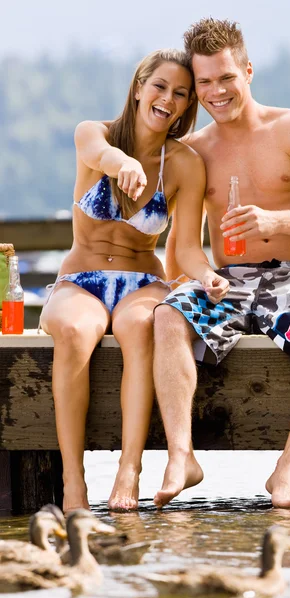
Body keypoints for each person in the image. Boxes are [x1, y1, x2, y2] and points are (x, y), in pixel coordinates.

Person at [152, 18, 290, 510]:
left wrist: (276, 220)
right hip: (225, 281)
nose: (216, 91)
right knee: (169, 316)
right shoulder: (194, 152)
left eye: (226, 78)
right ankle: (181, 455)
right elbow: (181, 243)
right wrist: (176, 286)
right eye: (206, 82)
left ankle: (287, 469)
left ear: (248, 71)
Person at [39, 48, 229, 513]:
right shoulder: (95, 134)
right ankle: (73, 482)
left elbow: (184, 248)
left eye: (182, 94)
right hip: (80, 279)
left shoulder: (184, 164)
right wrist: (117, 162)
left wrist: (207, 276)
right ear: (139, 86)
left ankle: (131, 469)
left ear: (186, 107)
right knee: (75, 330)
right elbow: (97, 153)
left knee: (138, 327)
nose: (168, 98)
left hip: (143, 280)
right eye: (160, 86)